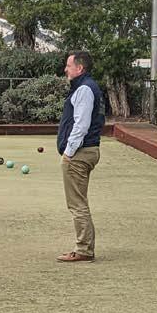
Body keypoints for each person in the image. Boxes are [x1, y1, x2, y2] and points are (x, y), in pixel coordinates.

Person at [57, 50, 106, 263]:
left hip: (80, 152)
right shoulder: (86, 87)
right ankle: (85, 246)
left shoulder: (85, 89)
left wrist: (68, 152)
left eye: (69, 66)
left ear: (80, 68)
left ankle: (84, 249)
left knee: (77, 203)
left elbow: (81, 125)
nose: (65, 69)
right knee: (79, 202)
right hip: (86, 150)